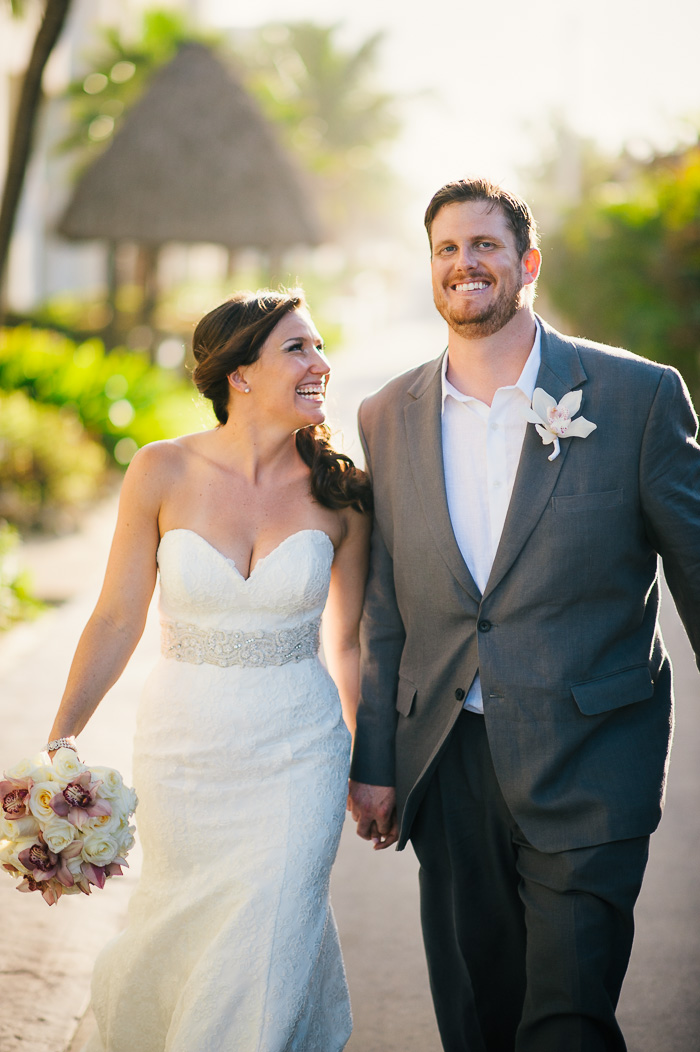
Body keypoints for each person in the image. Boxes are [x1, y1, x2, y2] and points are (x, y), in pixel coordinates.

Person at [348, 177, 700, 1052]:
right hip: (448, 765)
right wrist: (377, 760)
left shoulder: (636, 398)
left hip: (590, 759)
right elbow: (387, 608)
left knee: (567, 1019)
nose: (465, 264)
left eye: (486, 246)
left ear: (527, 263)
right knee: (478, 1017)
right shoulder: (386, 415)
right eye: (446, 249)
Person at [45, 288, 371, 1052]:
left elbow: (353, 643)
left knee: (271, 932)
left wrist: (373, 762)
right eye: (298, 348)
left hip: (301, 753)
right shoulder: (160, 471)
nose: (320, 363)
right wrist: (61, 737)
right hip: (183, 754)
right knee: (180, 932)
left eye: (320, 347)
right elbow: (117, 617)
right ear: (239, 373)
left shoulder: (343, 494)